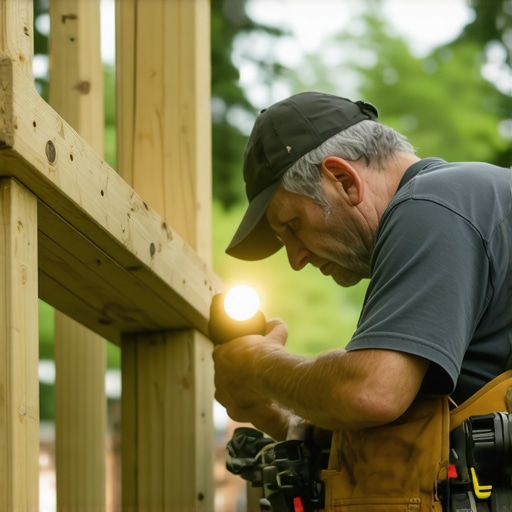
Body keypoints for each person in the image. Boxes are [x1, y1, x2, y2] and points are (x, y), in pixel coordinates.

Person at [212, 91, 512, 511]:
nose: (296, 260)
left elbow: (371, 392)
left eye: (293, 226)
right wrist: (279, 415)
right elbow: (402, 432)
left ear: (344, 180)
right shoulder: (469, 200)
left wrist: (256, 364)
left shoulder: (432, 205)